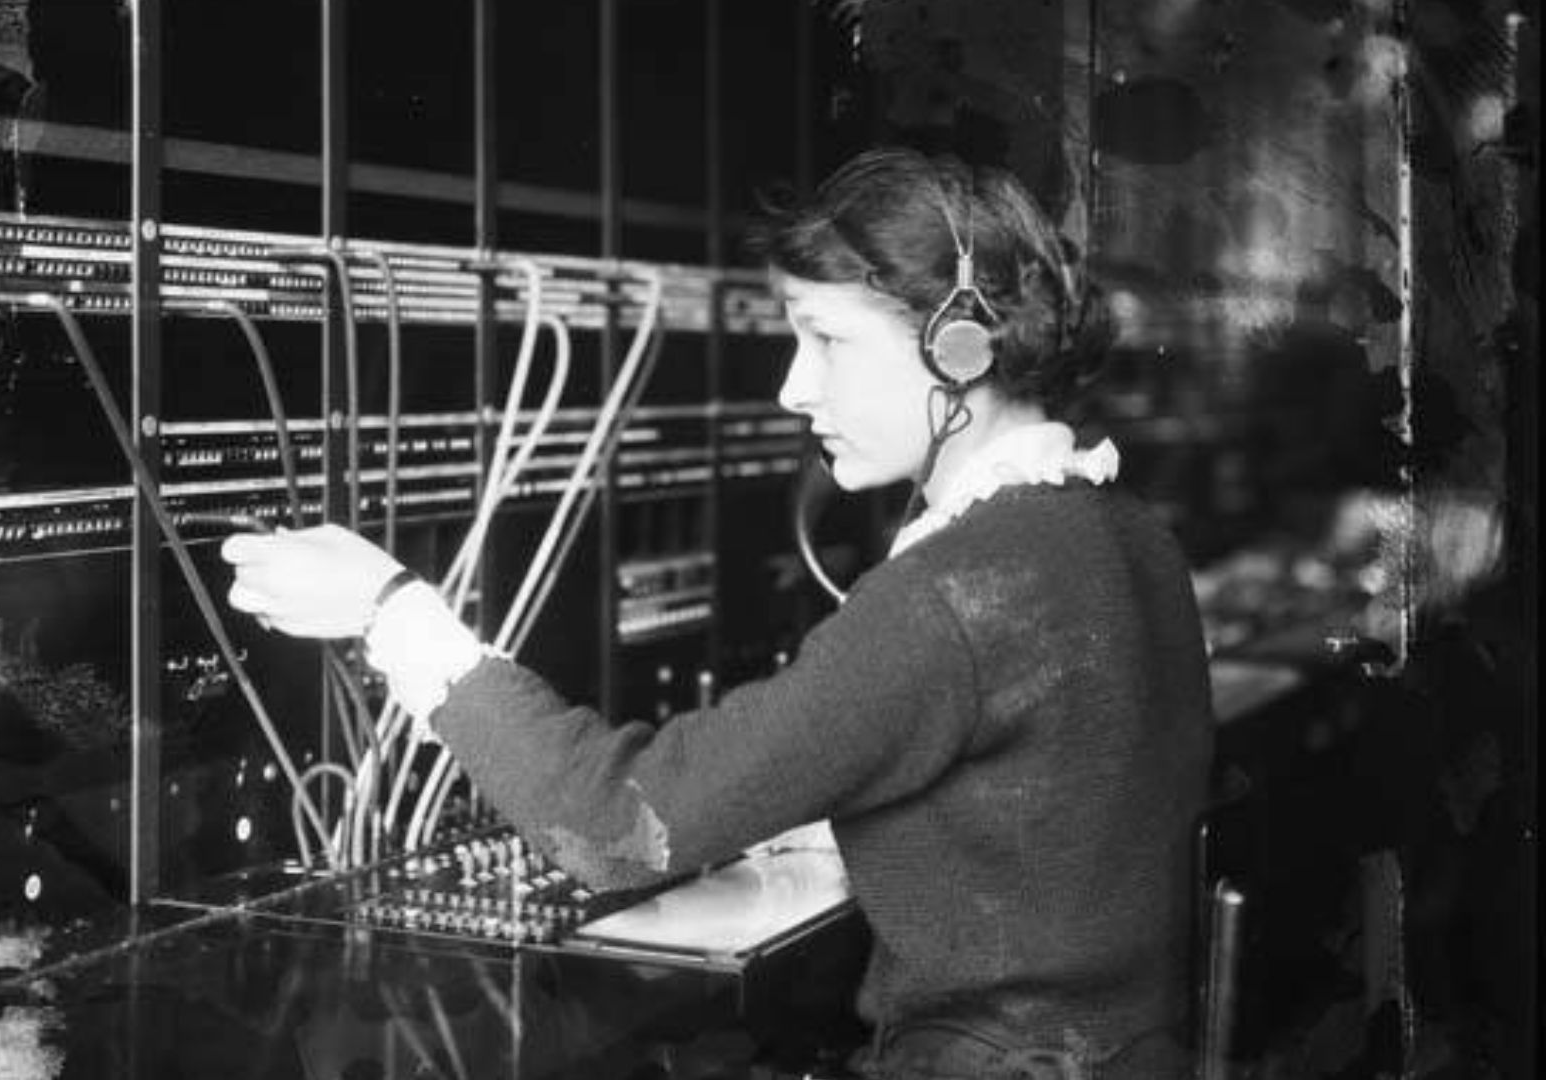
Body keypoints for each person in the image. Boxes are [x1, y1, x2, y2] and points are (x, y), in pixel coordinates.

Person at [222, 147, 1215, 1080]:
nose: (794, 387)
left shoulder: (953, 594)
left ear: (959, 349)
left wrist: (390, 608)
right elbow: (1050, 809)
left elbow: (614, 829)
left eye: (825, 339)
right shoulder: (1122, 532)